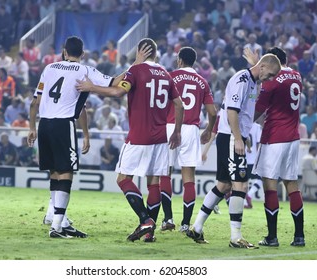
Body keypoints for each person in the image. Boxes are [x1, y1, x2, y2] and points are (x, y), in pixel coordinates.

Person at [76, 38, 184, 242]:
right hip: (161, 137)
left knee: (123, 179)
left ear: (140, 51)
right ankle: (149, 234)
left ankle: (145, 220)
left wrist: (92, 87)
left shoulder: (136, 71)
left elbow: (118, 92)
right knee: (154, 183)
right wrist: (176, 131)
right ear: (156, 53)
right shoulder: (166, 74)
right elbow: (179, 105)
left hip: (139, 136)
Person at [187, 51, 281, 248]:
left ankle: (196, 227)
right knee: (241, 185)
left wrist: (243, 136)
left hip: (233, 137)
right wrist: (238, 138)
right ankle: (235, 237)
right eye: (270, 74)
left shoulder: (254, 81)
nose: (270, 79)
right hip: (230, 137)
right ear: (262, 68)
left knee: (223, 184)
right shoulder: (242, 79)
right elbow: (232, 111)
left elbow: (246, 111)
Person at [28, 36, 113, 239]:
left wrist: (31, 127)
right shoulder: (84, 71)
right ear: (82, 54)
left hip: (44, 124)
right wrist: (135, 65)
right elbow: (112, 82)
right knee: (66, 172)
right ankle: (58, 225)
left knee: (55, 171)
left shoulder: (49, 68)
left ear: (64, 52)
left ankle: (56, 217)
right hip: (63, 124)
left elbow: (34, 102)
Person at [250, 47, 305, 247]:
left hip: (274, 137)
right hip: (293, 137)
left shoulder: (272, 80)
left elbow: (259, 108)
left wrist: (242, 126)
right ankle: (299, 236)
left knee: (270, 185)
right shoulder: (297, 76)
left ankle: (272, 237)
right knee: (292, 184)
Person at [159, 47, 217, 233]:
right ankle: (185, 224)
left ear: (180, 60)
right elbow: (212, 113)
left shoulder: (170, 76)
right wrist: (208, 130)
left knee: (165, 174)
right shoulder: (202, 82)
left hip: (169, 126)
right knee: (189, 178)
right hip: (191, 129)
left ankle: (168, 219)